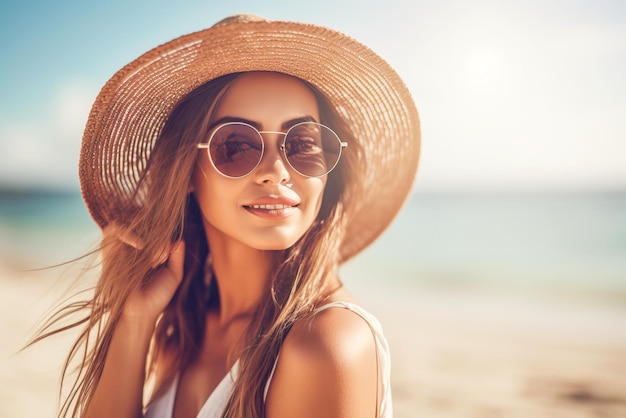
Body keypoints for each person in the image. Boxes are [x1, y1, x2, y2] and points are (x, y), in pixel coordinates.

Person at [40, 14, 419, 418]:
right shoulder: (184, 329)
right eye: (235, 145)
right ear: (185, 170)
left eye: (303, 144)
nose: (276, 169)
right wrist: (134, 320)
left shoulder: (325, 344)